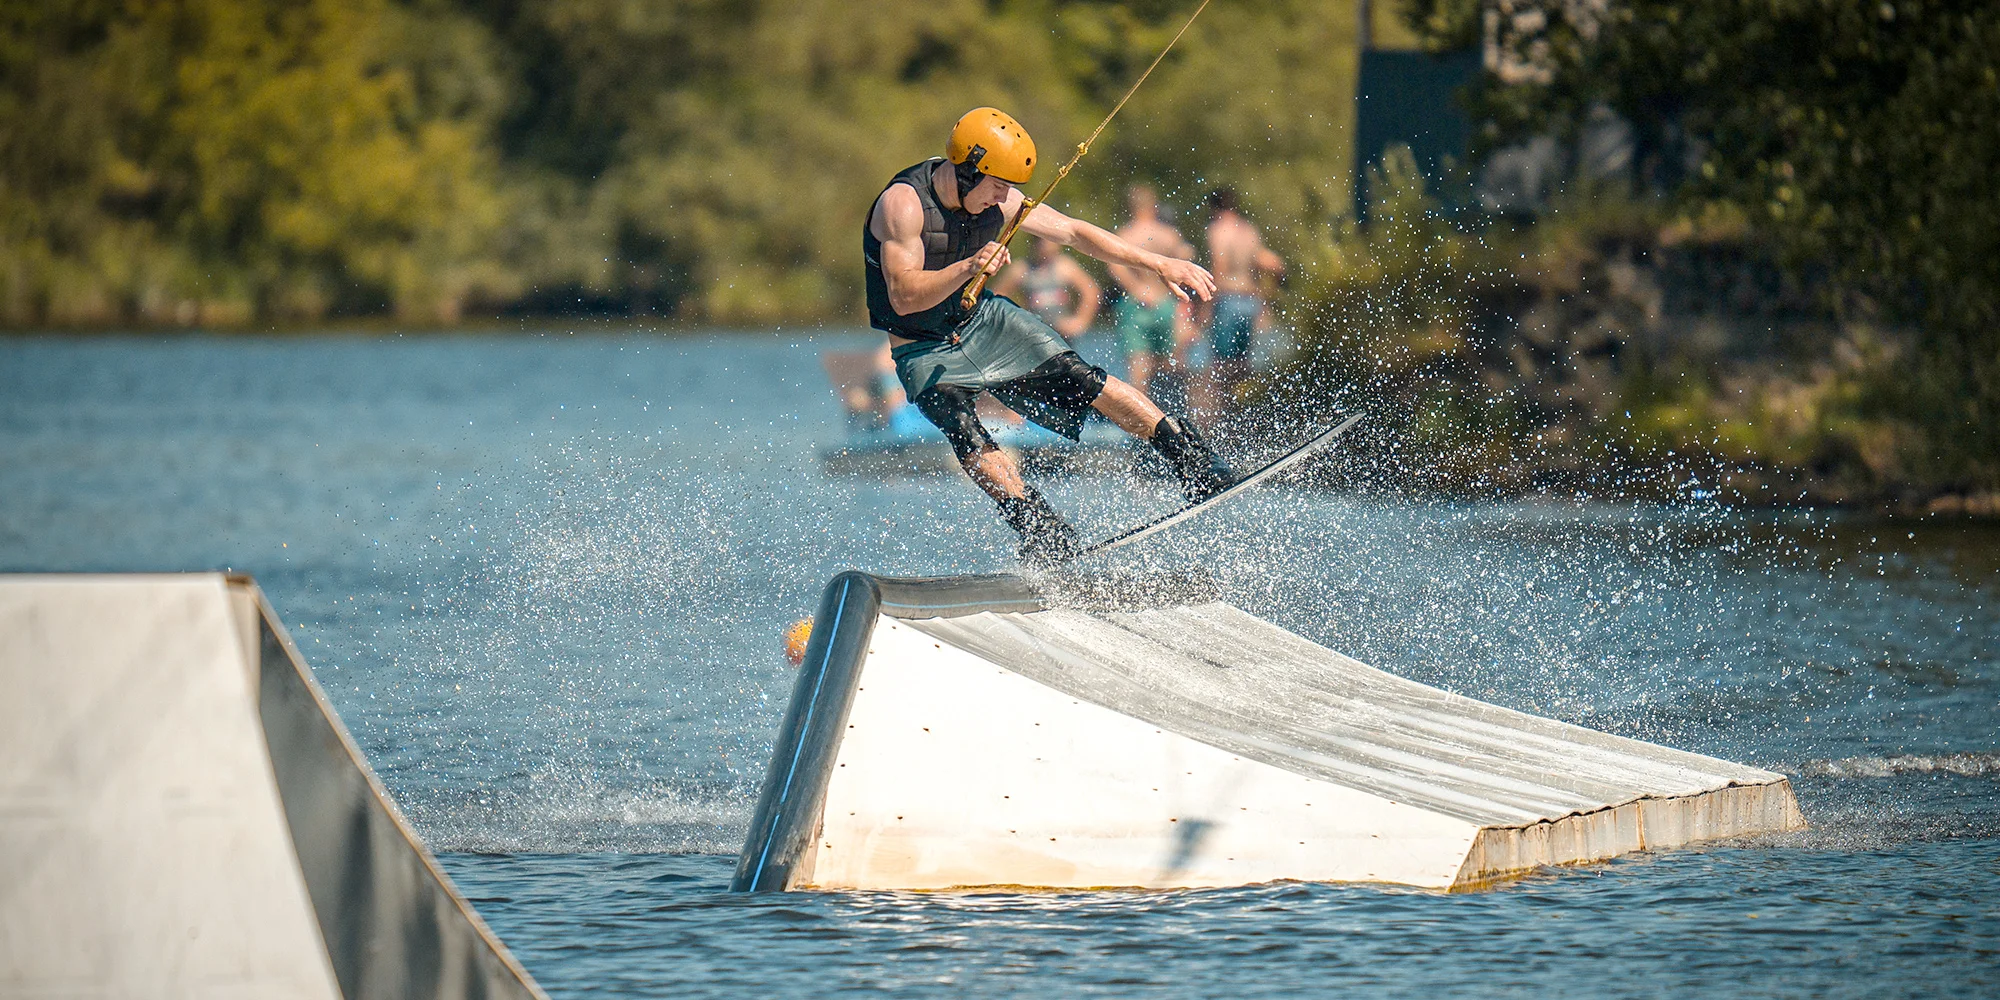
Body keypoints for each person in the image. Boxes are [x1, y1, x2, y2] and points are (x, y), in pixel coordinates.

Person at [863, 107, 1234, 564]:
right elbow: (902, 297)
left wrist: (1158, 264)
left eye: (1009, 187)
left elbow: (1076, 233)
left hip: (983, 321)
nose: (1005, 196)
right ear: (966, 169)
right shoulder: (903, 204)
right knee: (964, 430)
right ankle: (1037, 524)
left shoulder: (999, 198)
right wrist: (967, 267)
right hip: (921, 345)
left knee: (1082, 377)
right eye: (998, 184)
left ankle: (1188, 458)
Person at [1107, 185, 1196, 395]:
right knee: (1173, 365)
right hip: (1165, 303)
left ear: (1131, 207)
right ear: (1153, 206)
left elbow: (1114, 267)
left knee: (1138, 369)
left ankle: (1139, 425)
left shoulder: (1124, 235)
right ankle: (1176, 416)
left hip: (1135, 305)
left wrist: (1136, 287)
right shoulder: (1169, 235)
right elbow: (1186, 259)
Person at [1201, 186, 1285, 409]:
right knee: (1242, 366)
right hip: (1250, 302)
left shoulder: (1217, 231)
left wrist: (1206, 307)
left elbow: (1219, 268)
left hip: (1228, 300)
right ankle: (1240, 414)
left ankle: (1222, 420)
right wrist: (1267, 299)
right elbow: (1274, 265)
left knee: (1220, 366)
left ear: (1214, 208)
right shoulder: (1249, 230)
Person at [993, 237, 1099, 341]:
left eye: (1051, 243)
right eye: (1043, 243)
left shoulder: (1064, 266)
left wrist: (1080, 320)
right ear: (1035, 244)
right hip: (1034, 332)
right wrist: (1013, 322)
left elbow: (1091, 291)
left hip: (1062, 332)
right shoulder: (1021, 269)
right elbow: (998, 295)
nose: (1046, 248)